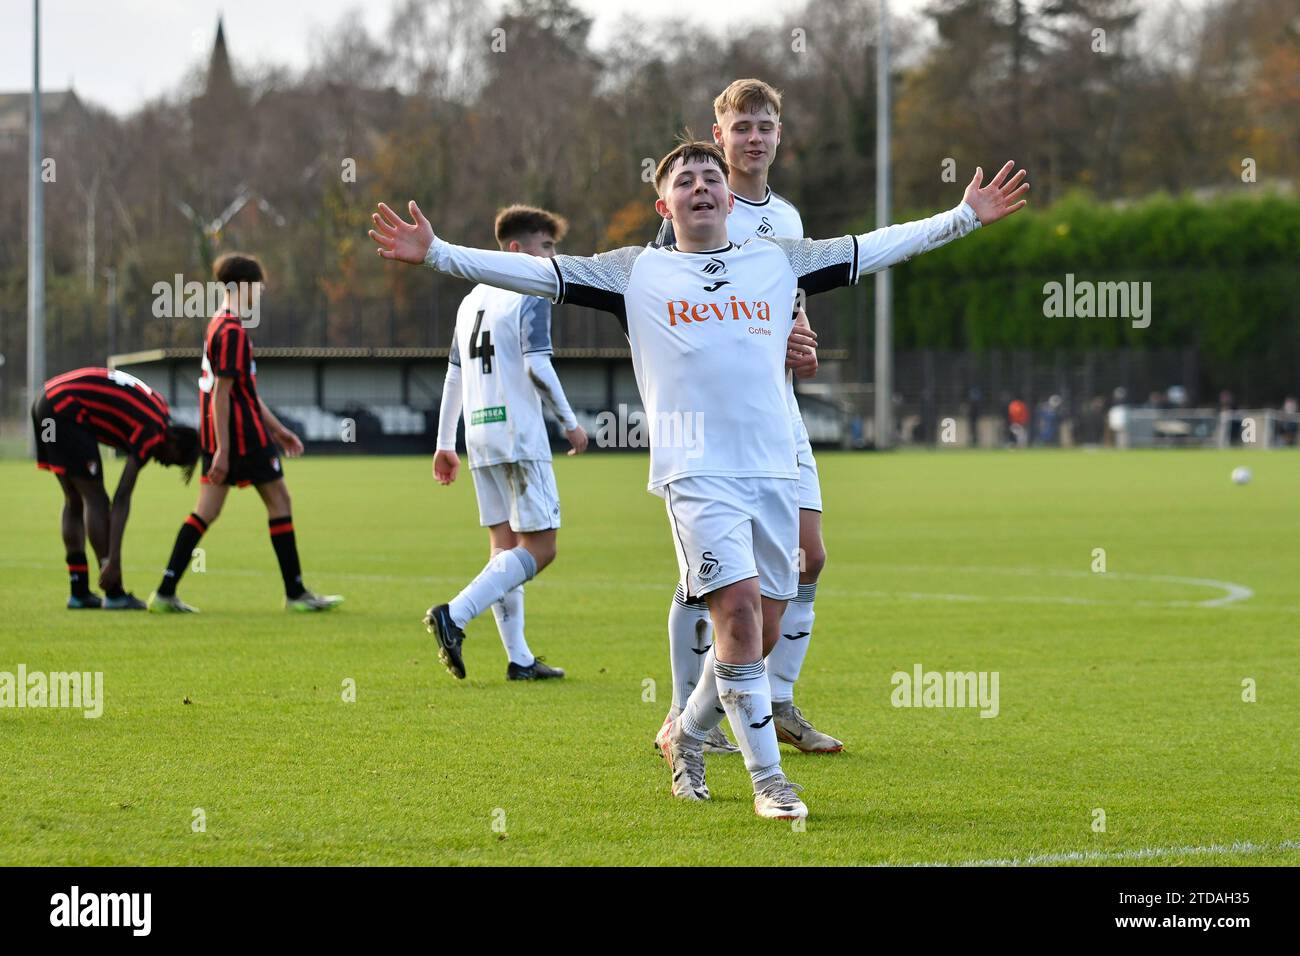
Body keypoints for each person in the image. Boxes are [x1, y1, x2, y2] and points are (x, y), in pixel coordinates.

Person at [370, 141, 1028, 820]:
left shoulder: (778, 262)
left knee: (761, 632)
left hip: (773, 466)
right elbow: (535, 274)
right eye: (685, 180)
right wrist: (440, 251)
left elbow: (877, 244)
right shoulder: (636, 272)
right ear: (666, 205)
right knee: (737, 612)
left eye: (711, 176)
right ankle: (770, 784)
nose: (702, 185)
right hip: (694, 472)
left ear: (729, 198)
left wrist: (963, 217)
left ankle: (684, 733)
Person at [651, 79, 841, 756]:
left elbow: (790, 307)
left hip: (776, 413)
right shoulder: (692, 200)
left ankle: (777, 699)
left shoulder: (786, 221)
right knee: (706, 581)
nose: (753, 138)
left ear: (779, 136)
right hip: (707, 429)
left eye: (765, 126)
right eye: (741, 128)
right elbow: (658, 301)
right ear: (720, 133)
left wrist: (803, 344)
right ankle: (682, 713)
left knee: (807, 556)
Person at [429, 205, 586, 681]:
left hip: (479, 434)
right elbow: (539, 366)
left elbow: (454, 376)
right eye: (546, 247)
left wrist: (444, 442)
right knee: (541, 548)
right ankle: (453, 615)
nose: (551, 258)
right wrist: (571, 422)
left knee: (504, 548)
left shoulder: (470, 299)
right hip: (519, 434)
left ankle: (519, 659)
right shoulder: (528, 290)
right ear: (516, 249)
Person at [148, 253, 342, 613]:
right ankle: (296, 593)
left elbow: (242, 392)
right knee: (279, 502)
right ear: (241, 286)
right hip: (241, 439)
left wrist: (280, 431)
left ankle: (164, 592)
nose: (262, 290)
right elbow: (222, 395)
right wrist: (224, 449)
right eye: (258, 284)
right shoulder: (233, 332)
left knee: (205, 512)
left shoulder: (217, 326)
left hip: (224, 437)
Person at [32, 367, 201, 609]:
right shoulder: (152, 431)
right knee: (96, 499)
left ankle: (79, 591)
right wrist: (114, 559)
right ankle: (113, 591)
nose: (165, 464)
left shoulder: (158, 411)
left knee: (74, 498)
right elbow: (122, 496)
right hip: (64, 410)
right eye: (173, 460)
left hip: (46, 402)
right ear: (174, 442)